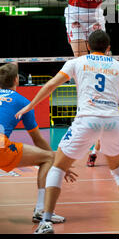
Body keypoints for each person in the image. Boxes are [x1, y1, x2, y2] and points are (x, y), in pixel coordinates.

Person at [15, 30, 119, 234]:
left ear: (87, 45)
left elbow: (51, 85)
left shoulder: (77, 62)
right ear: (109, 47)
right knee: (118, 168)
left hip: (88, 120)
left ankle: (46, 222)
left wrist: (30, 106)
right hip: (112, 122)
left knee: (57, 168)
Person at [0, 63, 69, 224]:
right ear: (17, 80)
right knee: (47, 159)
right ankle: (40, 210)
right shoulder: (23, 102)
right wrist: (60, 161)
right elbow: (37, 140)